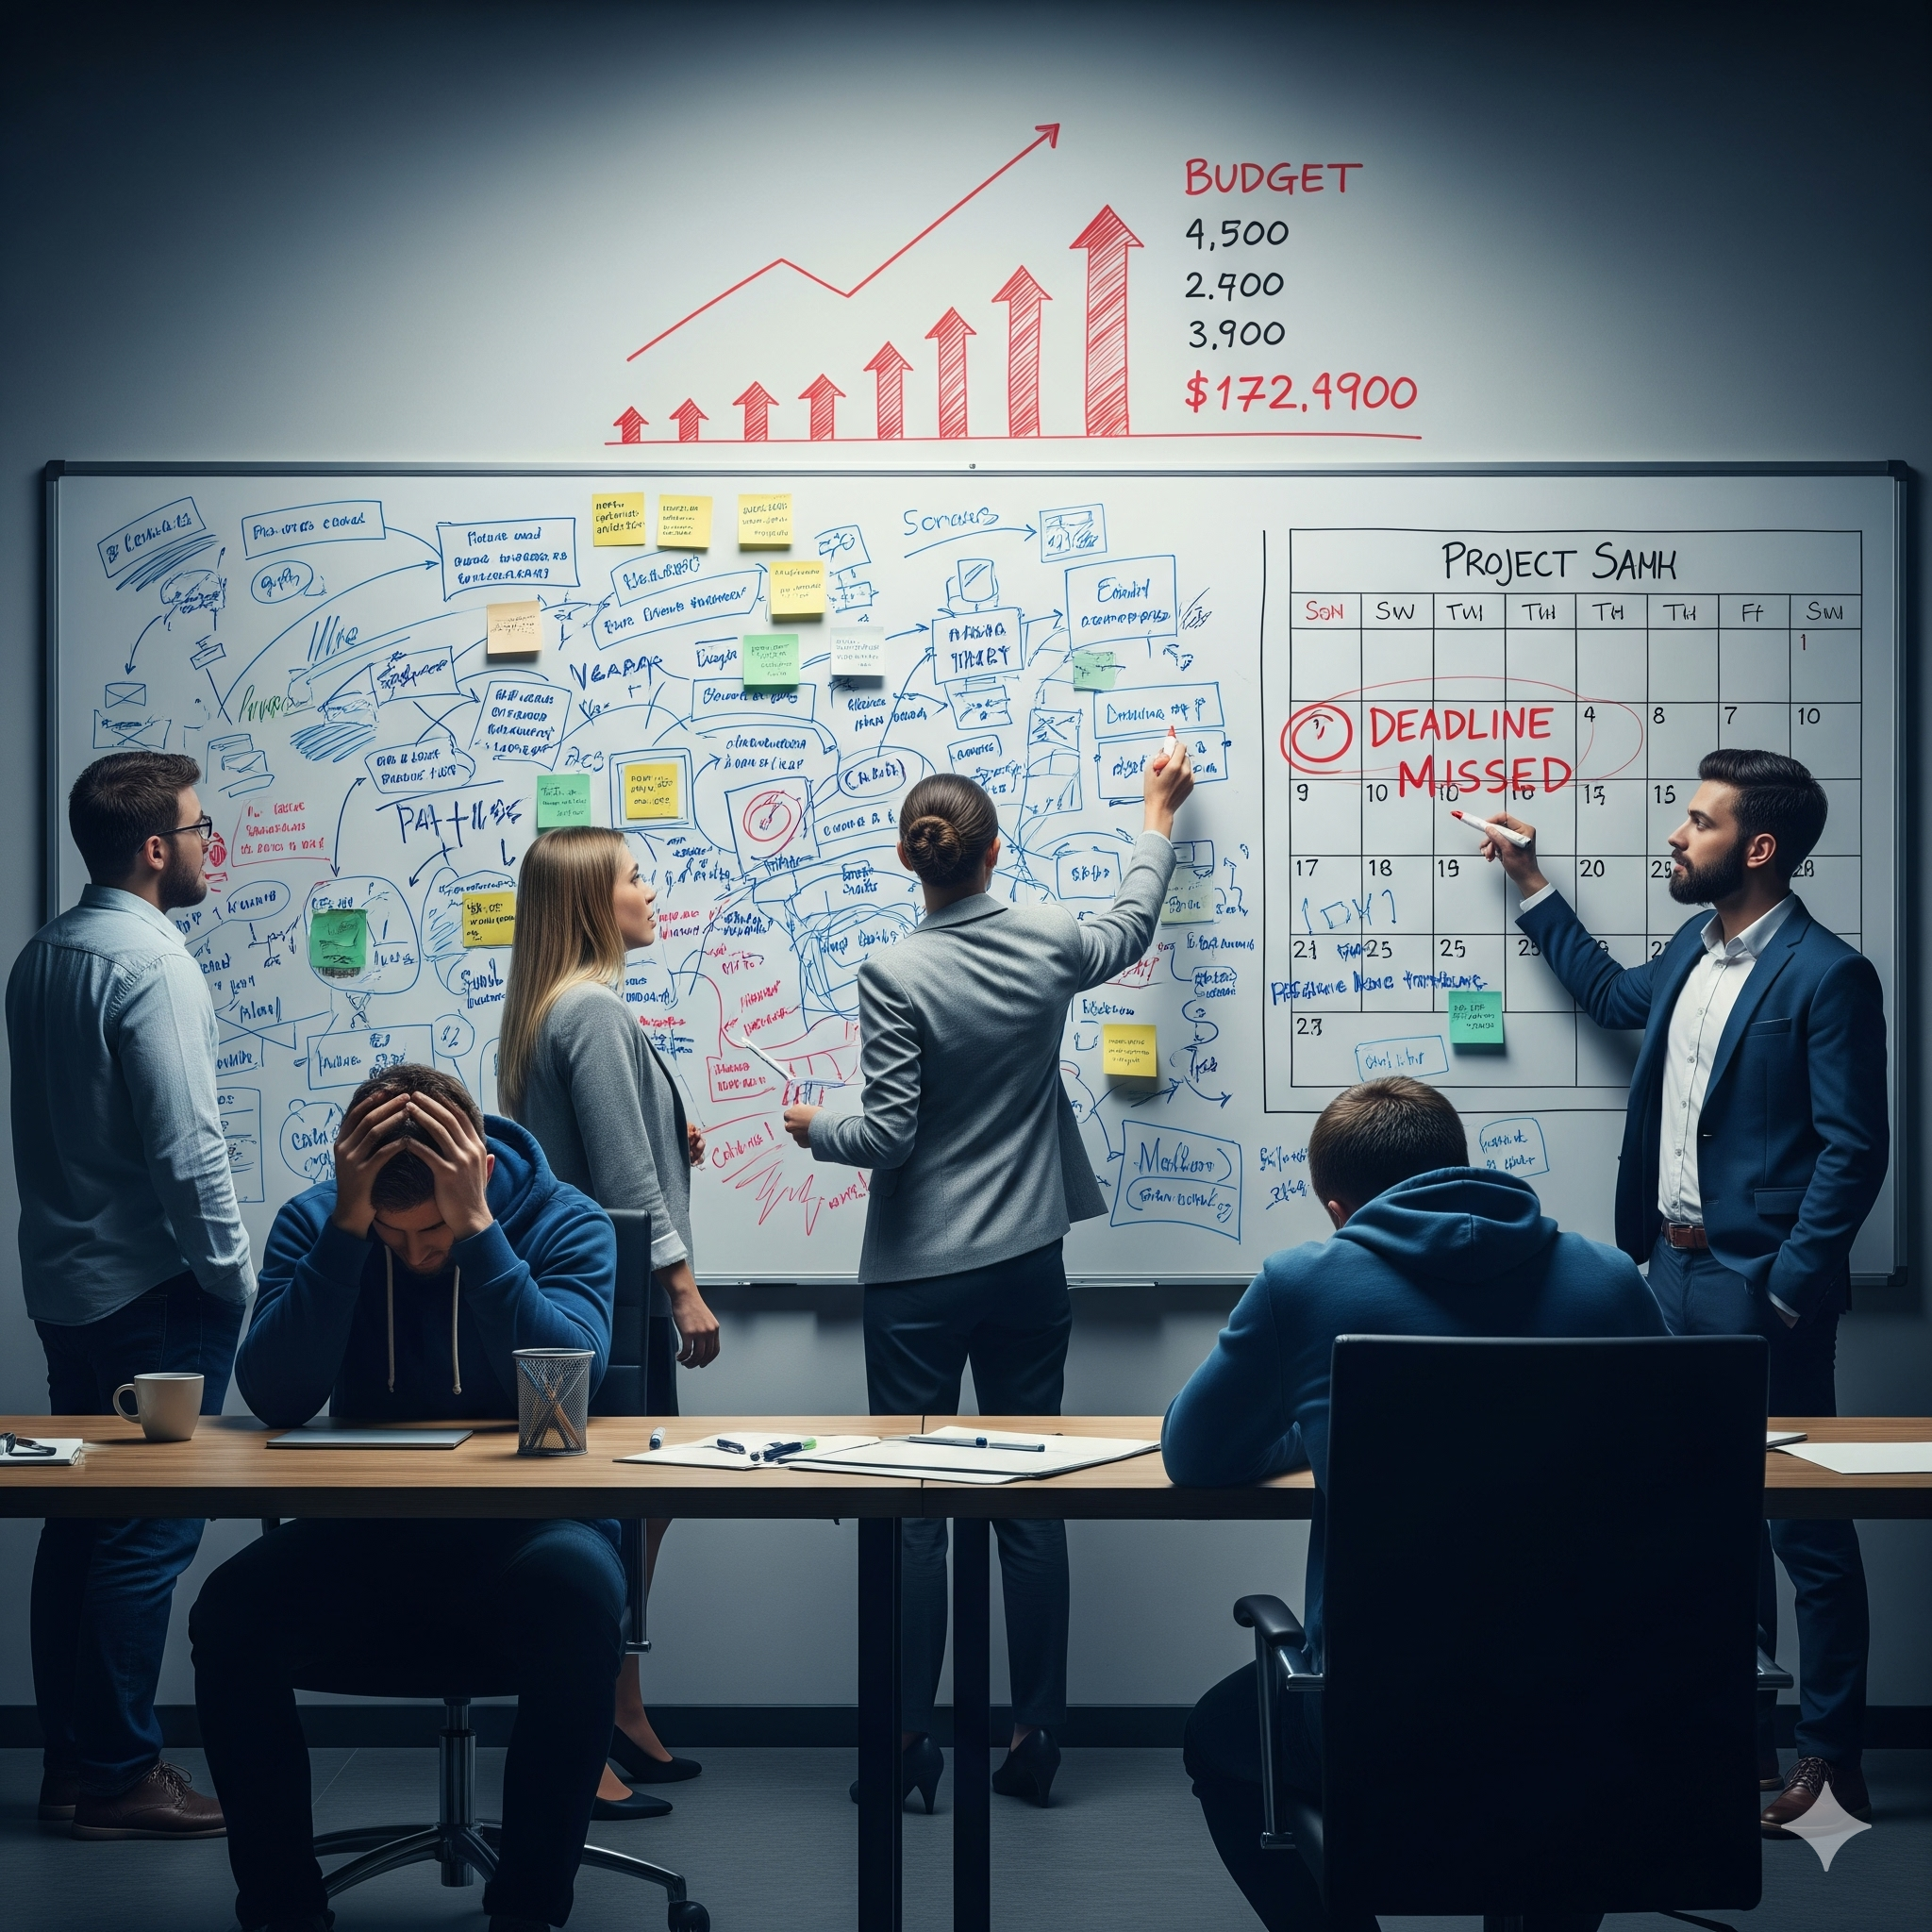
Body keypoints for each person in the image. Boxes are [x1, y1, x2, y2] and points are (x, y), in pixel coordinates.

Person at [784, 744, 1194, 1811]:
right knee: (1029, 1499)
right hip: (1026, 1263)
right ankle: (1035, 1731)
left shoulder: (893, 972)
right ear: (993, 851)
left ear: (907, 857)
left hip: (918, 1276)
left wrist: (807, 1124)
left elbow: (884, 1131)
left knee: (915, 1509)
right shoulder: (1051, 942)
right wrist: (1155, 812)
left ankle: (908, 1740)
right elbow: (1132, 923)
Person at [1484, 748, 1885, 1831]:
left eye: (1697, 822)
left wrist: (1790, 1287)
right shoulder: (1686, 945)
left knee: (1803, 1524)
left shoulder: (1825, 973)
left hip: (1757, 1289)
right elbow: (1616, 997)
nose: (1674, 833)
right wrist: (1532, 888)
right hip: (1662, 1271)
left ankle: (1832, 1760)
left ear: (1756, 847)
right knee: (1697, 1517)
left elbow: (1855, 1147)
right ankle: (1735, 1744)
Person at [1164, 1077, 1666, 1932]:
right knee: (1543, 1748)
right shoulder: (1609, 1279)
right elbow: (1664, 1460)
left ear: (1335, 1206)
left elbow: (1198, 1455)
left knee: (1224, 1738)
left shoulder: (1304, 1284)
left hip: (1378, 1715)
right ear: (1459, 1167)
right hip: (1585, 1700)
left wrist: (1317, 1435)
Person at [189, 1063, 619, 1932]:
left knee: (580, 1601)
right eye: (395, 1238)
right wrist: (348, 1236)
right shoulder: (320, 1223)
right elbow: (274, 1396)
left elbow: (561, 1406)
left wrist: (482, 1238)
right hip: (365, 1537)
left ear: (480, 1176)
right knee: (229, 1615)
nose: (417, 1256)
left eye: (432, 1235)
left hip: (527, 1537)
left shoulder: (567, 1222)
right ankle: (282, 1912)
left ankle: (527, 1912)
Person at [7, 751, 254, 1840]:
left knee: (82, 1524)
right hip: (158, 1294)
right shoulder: (152, 966)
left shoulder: (43, 954)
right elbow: (187, 1151)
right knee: (148, 1532)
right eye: (201, 829)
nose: (212, 845)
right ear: (157, 848)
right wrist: (236, 1280)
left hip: (69, 1288)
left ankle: (70, 1765)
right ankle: (117, 1773)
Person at [499, 825, 720, 1820]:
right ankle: (581, 1745)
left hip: (579, 1297)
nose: (648, 888)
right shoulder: (589, 1007)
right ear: (594, 900)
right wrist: (682, 1288)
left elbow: (599, 1148)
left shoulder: (566, 1007)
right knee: (601, 1519)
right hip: (613, 1304)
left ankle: (621, 1713)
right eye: (634, 876)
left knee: (628, 1509)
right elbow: (623, 1179)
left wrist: (668, 1129)